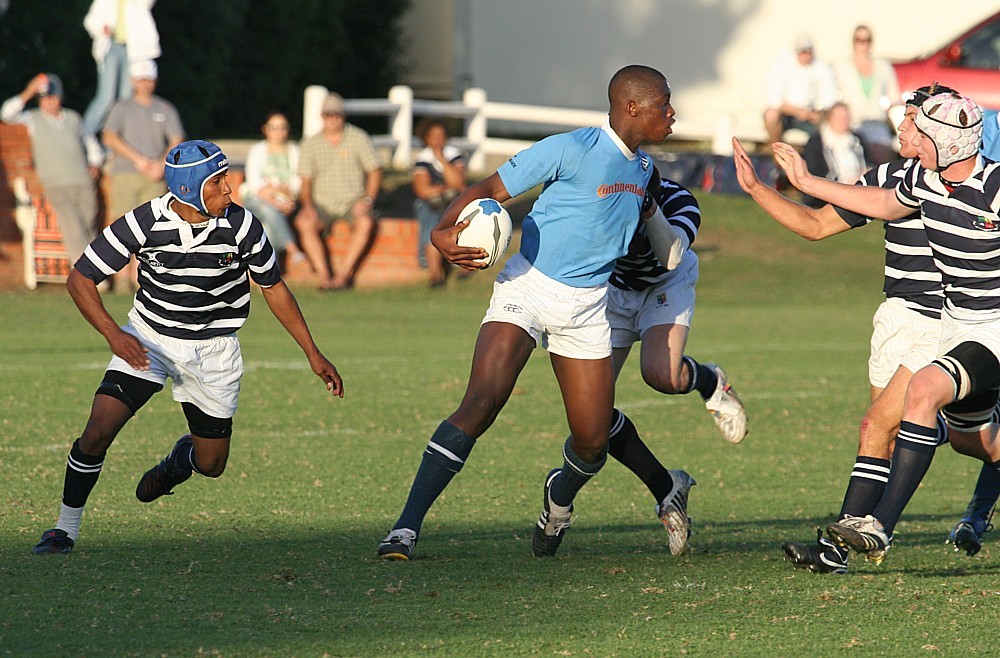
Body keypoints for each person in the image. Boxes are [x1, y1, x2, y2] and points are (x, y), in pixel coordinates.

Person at [377, 65, 675, 561]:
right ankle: (404, 528)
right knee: (481, 402)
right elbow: (489, 190)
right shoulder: (570, 148)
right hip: (528, 288)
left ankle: (557, 505)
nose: (672, 112)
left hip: (587, 308)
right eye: (664, 103)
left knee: (593, 442)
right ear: (631, 108)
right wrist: (440, 231)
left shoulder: (645, 172)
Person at [30, 140, 343, 555]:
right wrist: (114, 333)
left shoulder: (243, 225)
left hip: (215, 351)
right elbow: (80, 278)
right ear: (193, 188)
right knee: (98, 430)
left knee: (212, 465)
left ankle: (180, 461)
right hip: (150, 339)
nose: (230, 190)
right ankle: (63, 530)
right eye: (220, 181)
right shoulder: (144, 222)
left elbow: (274, 288)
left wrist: (313, 352)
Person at [734, 84, 998, 572]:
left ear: (942, 136)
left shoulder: (989, 184)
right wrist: (775, 185)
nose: (903, 129)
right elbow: (827, 222)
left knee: (891, 416)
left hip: (957, 325)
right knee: (962, 439)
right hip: (920, 323)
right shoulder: (914, 180)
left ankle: (866, 535)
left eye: (914, 122)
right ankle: (845, 545)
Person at [600, 174, 748, 556]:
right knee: (591, 414)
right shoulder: (600, 195)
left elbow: (670, 255)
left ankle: (709, 380)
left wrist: (649, 211)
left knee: (662, 375)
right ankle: (666, 489)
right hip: (612, 290)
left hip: (665, 282)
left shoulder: (679, 200)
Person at [1, 73, 104, 265]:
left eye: (51, 97)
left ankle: (95, 271)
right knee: (72, 226)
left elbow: (90, 143)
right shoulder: (32, 119)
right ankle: (86, 274)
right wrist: (28, 92)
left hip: (82, 180)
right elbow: (7, 114)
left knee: (89, 227)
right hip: (55, 183)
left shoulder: (73, 118)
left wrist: (95, 162)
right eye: (43, 98)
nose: (47, 102)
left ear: (59, 97)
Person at [102, 59, 184, 292]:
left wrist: (161, 163)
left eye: (149, 79)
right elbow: (109, 136)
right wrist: (136, 158)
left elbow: (176, 139)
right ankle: (120, 279)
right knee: (121, 224)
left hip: (156, 176)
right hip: (126, 173)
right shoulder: (122, 108)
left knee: (151, 228)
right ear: (133, 80)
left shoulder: (165, 109)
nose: (145, 84)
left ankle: (144, 279)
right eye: (141, 79)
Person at [295, 92, 382, 291]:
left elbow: (375, 170)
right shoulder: (311, 143)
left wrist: (368, 199)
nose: (333, 119)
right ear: (322, 116)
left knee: (366, 222)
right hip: (322, 203)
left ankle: (342, 277)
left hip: (353, 201)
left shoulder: (358, 137)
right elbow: (305, 181)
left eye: (337, 114)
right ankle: (325, 278)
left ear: (343, 116)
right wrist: (307, 206)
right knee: (303, 222)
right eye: (328, 114)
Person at [239, 111, 306, 270]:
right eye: (273, 127)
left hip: (283, 201)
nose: (278, 132)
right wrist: (275, 197)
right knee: (267, 208)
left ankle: (270, 273)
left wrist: (280, 194)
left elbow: (296, 183)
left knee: (267, 227)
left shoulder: (294, 151)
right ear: (265, 129)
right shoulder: (257, 150)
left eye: (282, 127)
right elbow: (255, 183)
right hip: (256, 200)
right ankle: (292, 248)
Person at [82, 0, 160, 136]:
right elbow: (90, 20)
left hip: (134, 50)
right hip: (111, 47)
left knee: (126, 98)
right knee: (106, 97)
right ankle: (84, 134)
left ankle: (114, 140)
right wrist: (101, 28)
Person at [411, 118, 467, 287]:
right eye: (433, 136)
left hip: (453, 201)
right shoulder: (422, 159)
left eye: (441, 136)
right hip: (431, 204)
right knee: (433, 227)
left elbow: (458, 182)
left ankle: (465, 266)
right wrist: (446, 187)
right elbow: (423, 190)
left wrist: (441, 159)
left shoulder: (454, 154)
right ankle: (435, 274)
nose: (438, 140)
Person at [833, 25, 900, 165]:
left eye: (867, 40)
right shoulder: (842, 68)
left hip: (877, 124)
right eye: (859, 40)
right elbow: (834, 99)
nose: (863, 44)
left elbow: (894, 97)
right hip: (852, 125)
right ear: (853, 42)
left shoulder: (883, 66)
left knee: (880, 162)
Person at [763, 33, 839, 144]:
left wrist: (814, 113)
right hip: (786, 114)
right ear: (796, 52)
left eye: (809, 51)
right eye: (803, 51)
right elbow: (775, 99)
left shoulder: (821, 67)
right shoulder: (782, 66)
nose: (806, 55)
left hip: (811, 114)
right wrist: (798, 112)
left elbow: (830, 97)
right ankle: (777, 152)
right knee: (771, 116)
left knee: (828, 125)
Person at [801, 102, 870, 206]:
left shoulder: (858, 139)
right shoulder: (817, 141)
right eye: (839, 117)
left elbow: (869, 162)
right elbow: (814, 171)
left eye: (846, 117)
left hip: (857, 187)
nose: (844, 120)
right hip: (829, 191)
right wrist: (842, 183)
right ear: (830, 118)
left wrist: (867, 173)